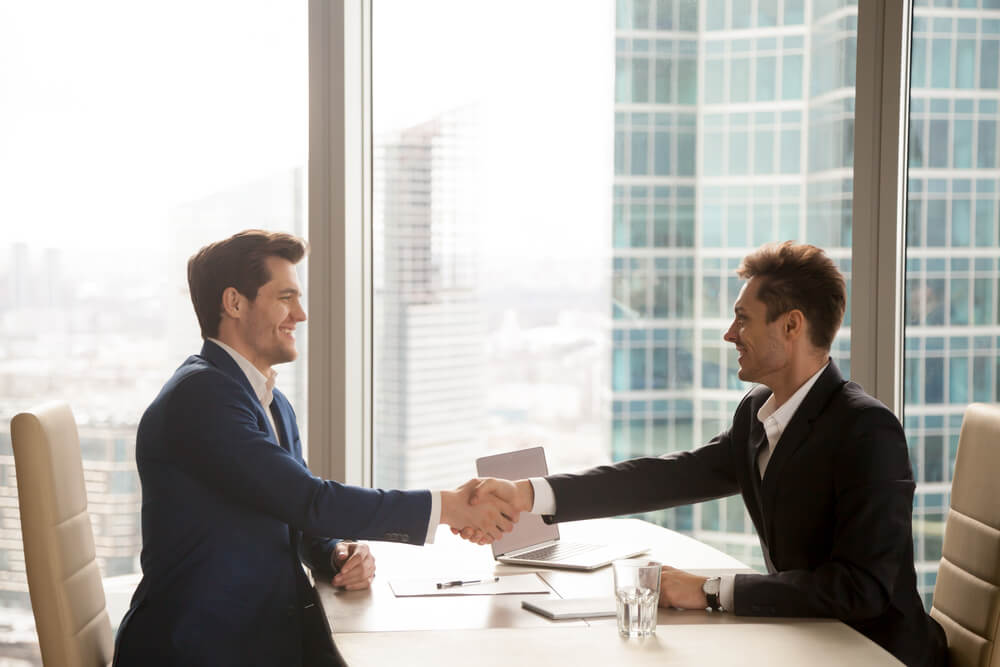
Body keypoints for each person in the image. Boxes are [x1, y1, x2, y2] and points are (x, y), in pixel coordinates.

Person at [471, 242, 948, 667]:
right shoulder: (758, 414)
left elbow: (860, 589)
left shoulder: (866, 429)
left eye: (743, 318)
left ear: (791, 325)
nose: (729, 334)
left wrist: (710, 592)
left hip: (875, 651)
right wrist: (529, 494)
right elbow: (665, 477)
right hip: (808, 638)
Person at [112, 230, 517, 667]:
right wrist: (450, 507)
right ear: (234, 303)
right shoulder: (202, 398)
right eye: (285, 298)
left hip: (264, 632)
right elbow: (309, 500)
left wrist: (335, 551)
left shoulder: (265, 399)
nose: (300, 315)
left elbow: (295, 514)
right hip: (202, 648)